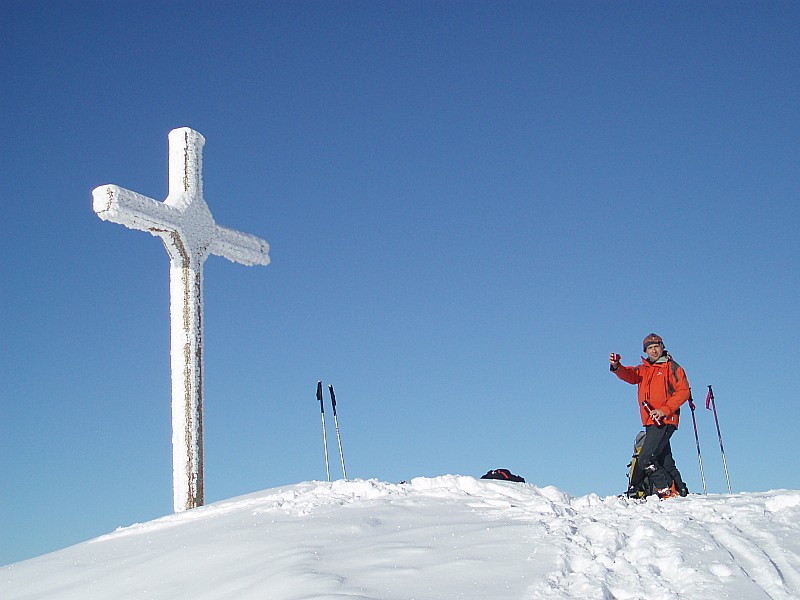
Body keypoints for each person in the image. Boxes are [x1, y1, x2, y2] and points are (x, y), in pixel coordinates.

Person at [610, 333, 691, 498]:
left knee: (646, 458)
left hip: (664, 419)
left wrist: (664, 410)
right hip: (649, 420)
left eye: (656, 347)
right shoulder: (644, 369)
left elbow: (684, 392)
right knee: (665, 459)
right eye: (650, 348)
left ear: (662, 347)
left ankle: (665, 490)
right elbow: (630, 375)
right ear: (646, 351)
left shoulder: (672, 367)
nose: (654, 350)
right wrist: (617, 366)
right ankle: (681, 490)